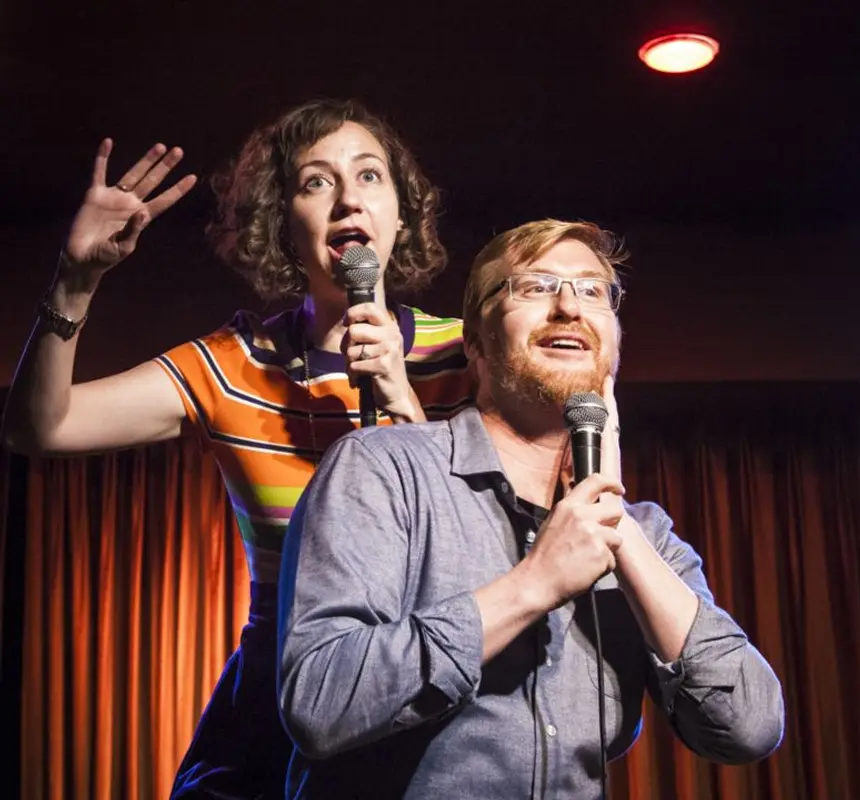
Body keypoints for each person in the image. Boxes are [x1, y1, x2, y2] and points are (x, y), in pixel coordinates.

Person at [2, 99, 472, 797]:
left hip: (432, 697)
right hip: (275, 706)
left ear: (402, 214)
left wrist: (406, 404)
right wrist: (75, 282)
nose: (347, 197)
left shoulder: (470, 354)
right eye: (316, 182)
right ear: (281, 226)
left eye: (370, 176)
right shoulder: (232, 364)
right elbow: (40, 428)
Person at [278, 219, 785, 797]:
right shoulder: (384, 470)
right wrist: (534, 585)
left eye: (594, 291)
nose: (569, 305)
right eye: (535, 287)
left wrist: (618, 529)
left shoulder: (645, 534)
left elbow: (749, 726)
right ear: (475, 341)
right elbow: (320, 701)